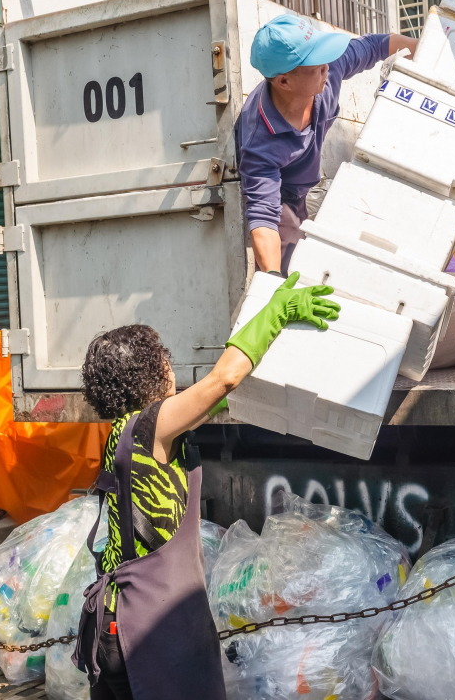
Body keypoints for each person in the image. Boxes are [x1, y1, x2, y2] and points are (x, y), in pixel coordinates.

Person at [73, 273, 340, 700]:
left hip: (142, 619)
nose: (172, 370)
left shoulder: (132, 433)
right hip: (145, 630)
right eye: (165, 362)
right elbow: (223, 381)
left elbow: (213, 399)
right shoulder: (147, 429)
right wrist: (276, 313)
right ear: (150, 373)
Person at [237, 13, 418, 274]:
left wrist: (426, 51)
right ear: (284, 81)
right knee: (291, 270)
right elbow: (263, 217)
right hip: (283, 196)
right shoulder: (260, 142)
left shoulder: (328, 70)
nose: (326, 67)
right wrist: (274, 281)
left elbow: (377, 45)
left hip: (304, 185)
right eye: (315, 64)